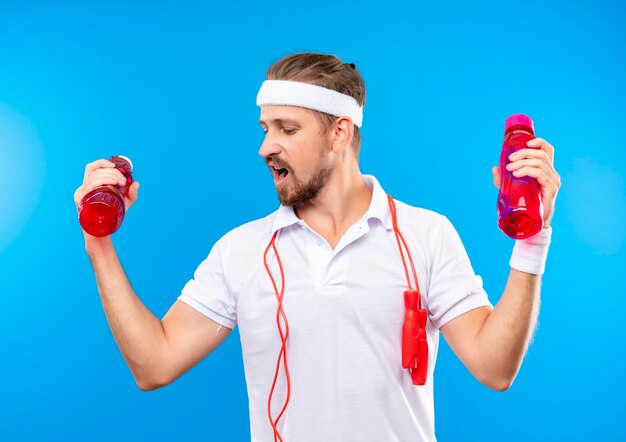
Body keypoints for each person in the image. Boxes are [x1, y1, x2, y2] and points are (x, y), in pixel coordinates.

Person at [73, 52, 561, 442]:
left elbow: (495, 368)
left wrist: (532, 243)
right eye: (265, 129)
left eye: (287, 129)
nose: (266, 147)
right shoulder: (242, 250)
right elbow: (154, 364)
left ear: (339, 133)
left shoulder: (426, 235)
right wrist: (100, 245)